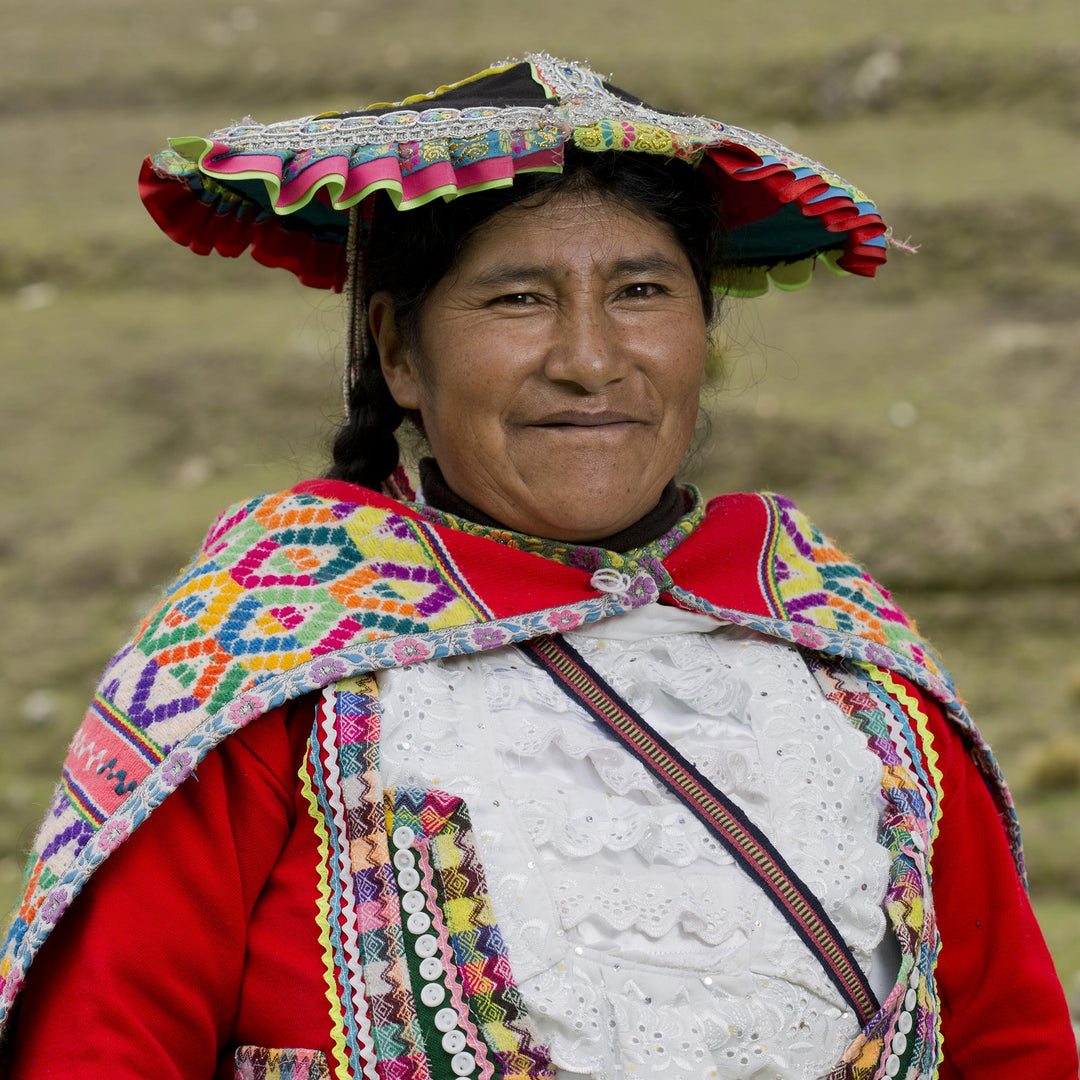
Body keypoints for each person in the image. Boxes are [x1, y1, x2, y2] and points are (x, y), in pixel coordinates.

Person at [0, 54, 1075, 1080]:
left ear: (702, 333)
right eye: (518, 299)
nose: (590, 361)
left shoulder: (848, 665)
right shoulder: (268, 660)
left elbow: (1012, 1040)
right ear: (400, 351)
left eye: (641, 292)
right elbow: (102, 1041)